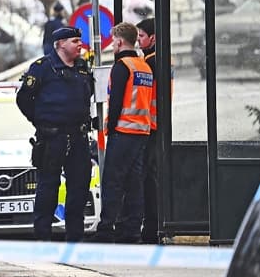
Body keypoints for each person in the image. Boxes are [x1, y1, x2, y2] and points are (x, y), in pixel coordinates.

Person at [16, 26, 95, 242]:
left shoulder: (82, 67)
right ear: (60, 44)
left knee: (78, 188)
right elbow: (23, 99)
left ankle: (75, 240)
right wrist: (41, 121)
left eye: (80, 41)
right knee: (48, 188)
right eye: (74, 41)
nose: (79, 45)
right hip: (52, 138)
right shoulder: (42, 68)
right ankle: (43, 239)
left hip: (78, 138)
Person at [95, 22, 157, 243]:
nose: (112, 45)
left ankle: (106, 230)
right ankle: (131, 231)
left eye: (113, 41)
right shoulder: (144, 67)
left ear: (120, 42)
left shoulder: (122, 66)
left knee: (112, 181)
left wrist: (109, 128)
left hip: (123, 131)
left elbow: (117, 102)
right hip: (142, 132)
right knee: (134, 184)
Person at [136, 17, 164, 243]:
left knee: (147, 179)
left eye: (141, 36)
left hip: (150, 127)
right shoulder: (161, 59)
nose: (138, 40)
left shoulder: (150, 62)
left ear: (153, 38)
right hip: (157, 126)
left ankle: (151, 226)